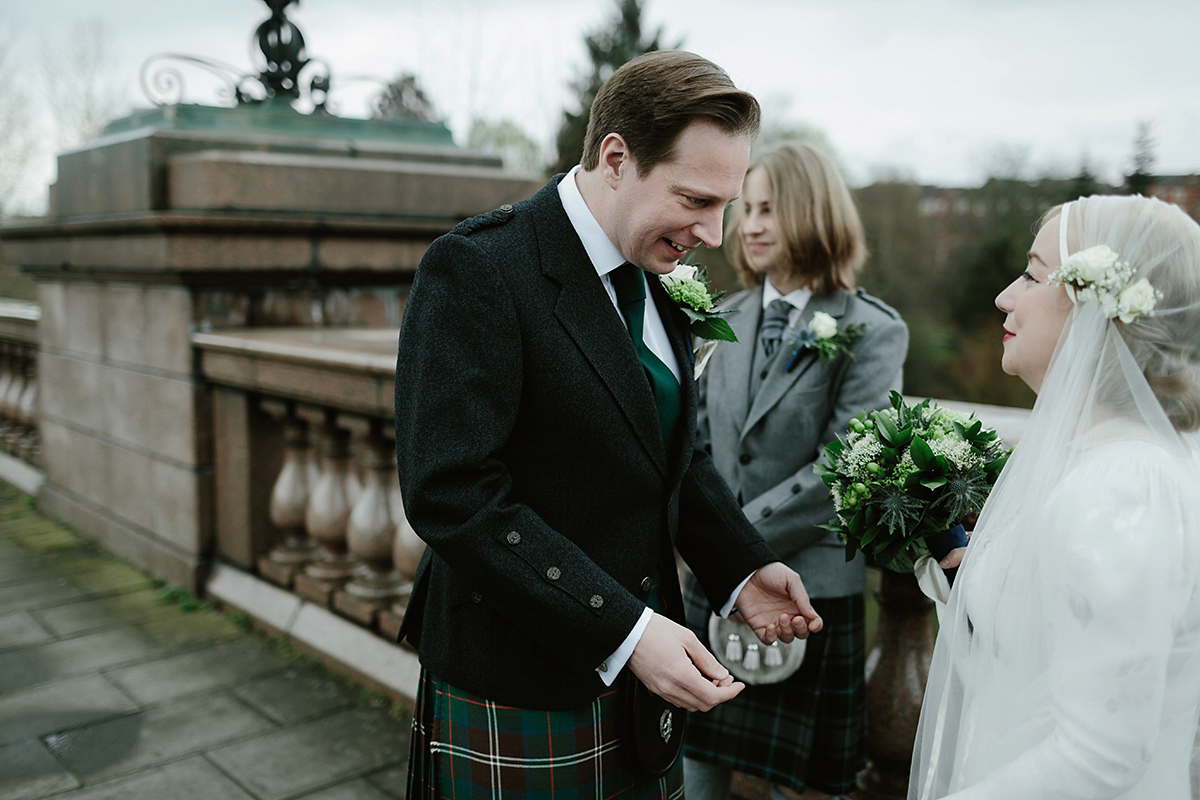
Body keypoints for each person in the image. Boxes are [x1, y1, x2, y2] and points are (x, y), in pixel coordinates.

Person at [394, 50, 825, 799]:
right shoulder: (481, 268)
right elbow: (451, 492)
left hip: (643, 678)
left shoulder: (657, 275)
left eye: (726, 204)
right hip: (520, 678)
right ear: (616, 158)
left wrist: (740, 567)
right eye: (696, 200)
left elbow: (674, 455)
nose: (716, 234)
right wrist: (624, 630)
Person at [911, 194, 1200, 800]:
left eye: (1033, 274)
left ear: (1096, 309)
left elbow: (1101, 755)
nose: (1004, 297)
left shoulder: (1125, 488)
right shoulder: (1090, 458)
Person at [681, 142, 909, 800]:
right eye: (743, 209)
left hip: (809, 591)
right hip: (717, 580)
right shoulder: (720, 318)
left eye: (768, 209)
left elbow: (847, 464)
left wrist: (730, 539)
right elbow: (693, 443)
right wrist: (717, 549)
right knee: (699, 753)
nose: (748, 225)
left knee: (801, 786)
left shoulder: (871, 329)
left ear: (812, 212)